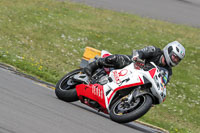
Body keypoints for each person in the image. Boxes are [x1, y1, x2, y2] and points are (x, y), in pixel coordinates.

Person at [83, 41, 185, 84]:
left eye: (178, 60)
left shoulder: (168, 72)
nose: (175, 60)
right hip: (132, 66)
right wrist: (138, 59)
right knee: (119, 59)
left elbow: (162, 83)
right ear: (168, 51)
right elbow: (139, 52)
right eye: (175, 57)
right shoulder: (154, 51)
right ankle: (93, 66)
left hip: (140, 79)